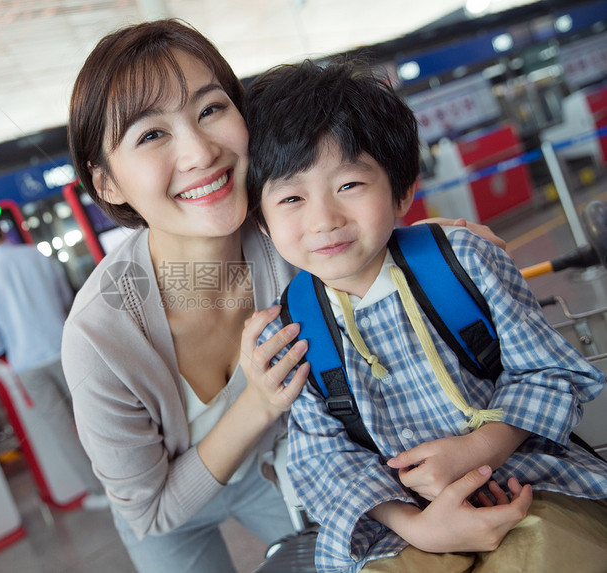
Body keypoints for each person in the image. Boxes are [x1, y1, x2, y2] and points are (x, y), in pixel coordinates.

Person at [62, 19, 506, 573]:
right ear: (106, 183)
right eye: (151, 135)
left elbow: (351, 233)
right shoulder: (101, 336)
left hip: (282, 467)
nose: (200, 152)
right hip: (170, 506)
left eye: (210, 109)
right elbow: (151, 512)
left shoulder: (284, 234)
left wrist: (439, 243)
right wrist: (259, 403)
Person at [244, 59, 607, 572]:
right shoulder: (294, 325)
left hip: (526, 480)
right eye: (292, 198)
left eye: (349, 185)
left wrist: (480, 448)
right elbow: (324, 460)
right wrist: (415, 525)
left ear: (402, 190)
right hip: (398, 531)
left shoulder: (462, 260)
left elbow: (550, 371)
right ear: (263, 221)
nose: (324, 219)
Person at [0, 212, 106, 507]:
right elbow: (66, 298)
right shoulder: (36, 255)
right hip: (66, 347)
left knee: (63, 429)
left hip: (28, 363)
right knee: (98, 414)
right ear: (4, 232)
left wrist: (3, 345)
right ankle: (125, 474)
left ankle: (98, 492)